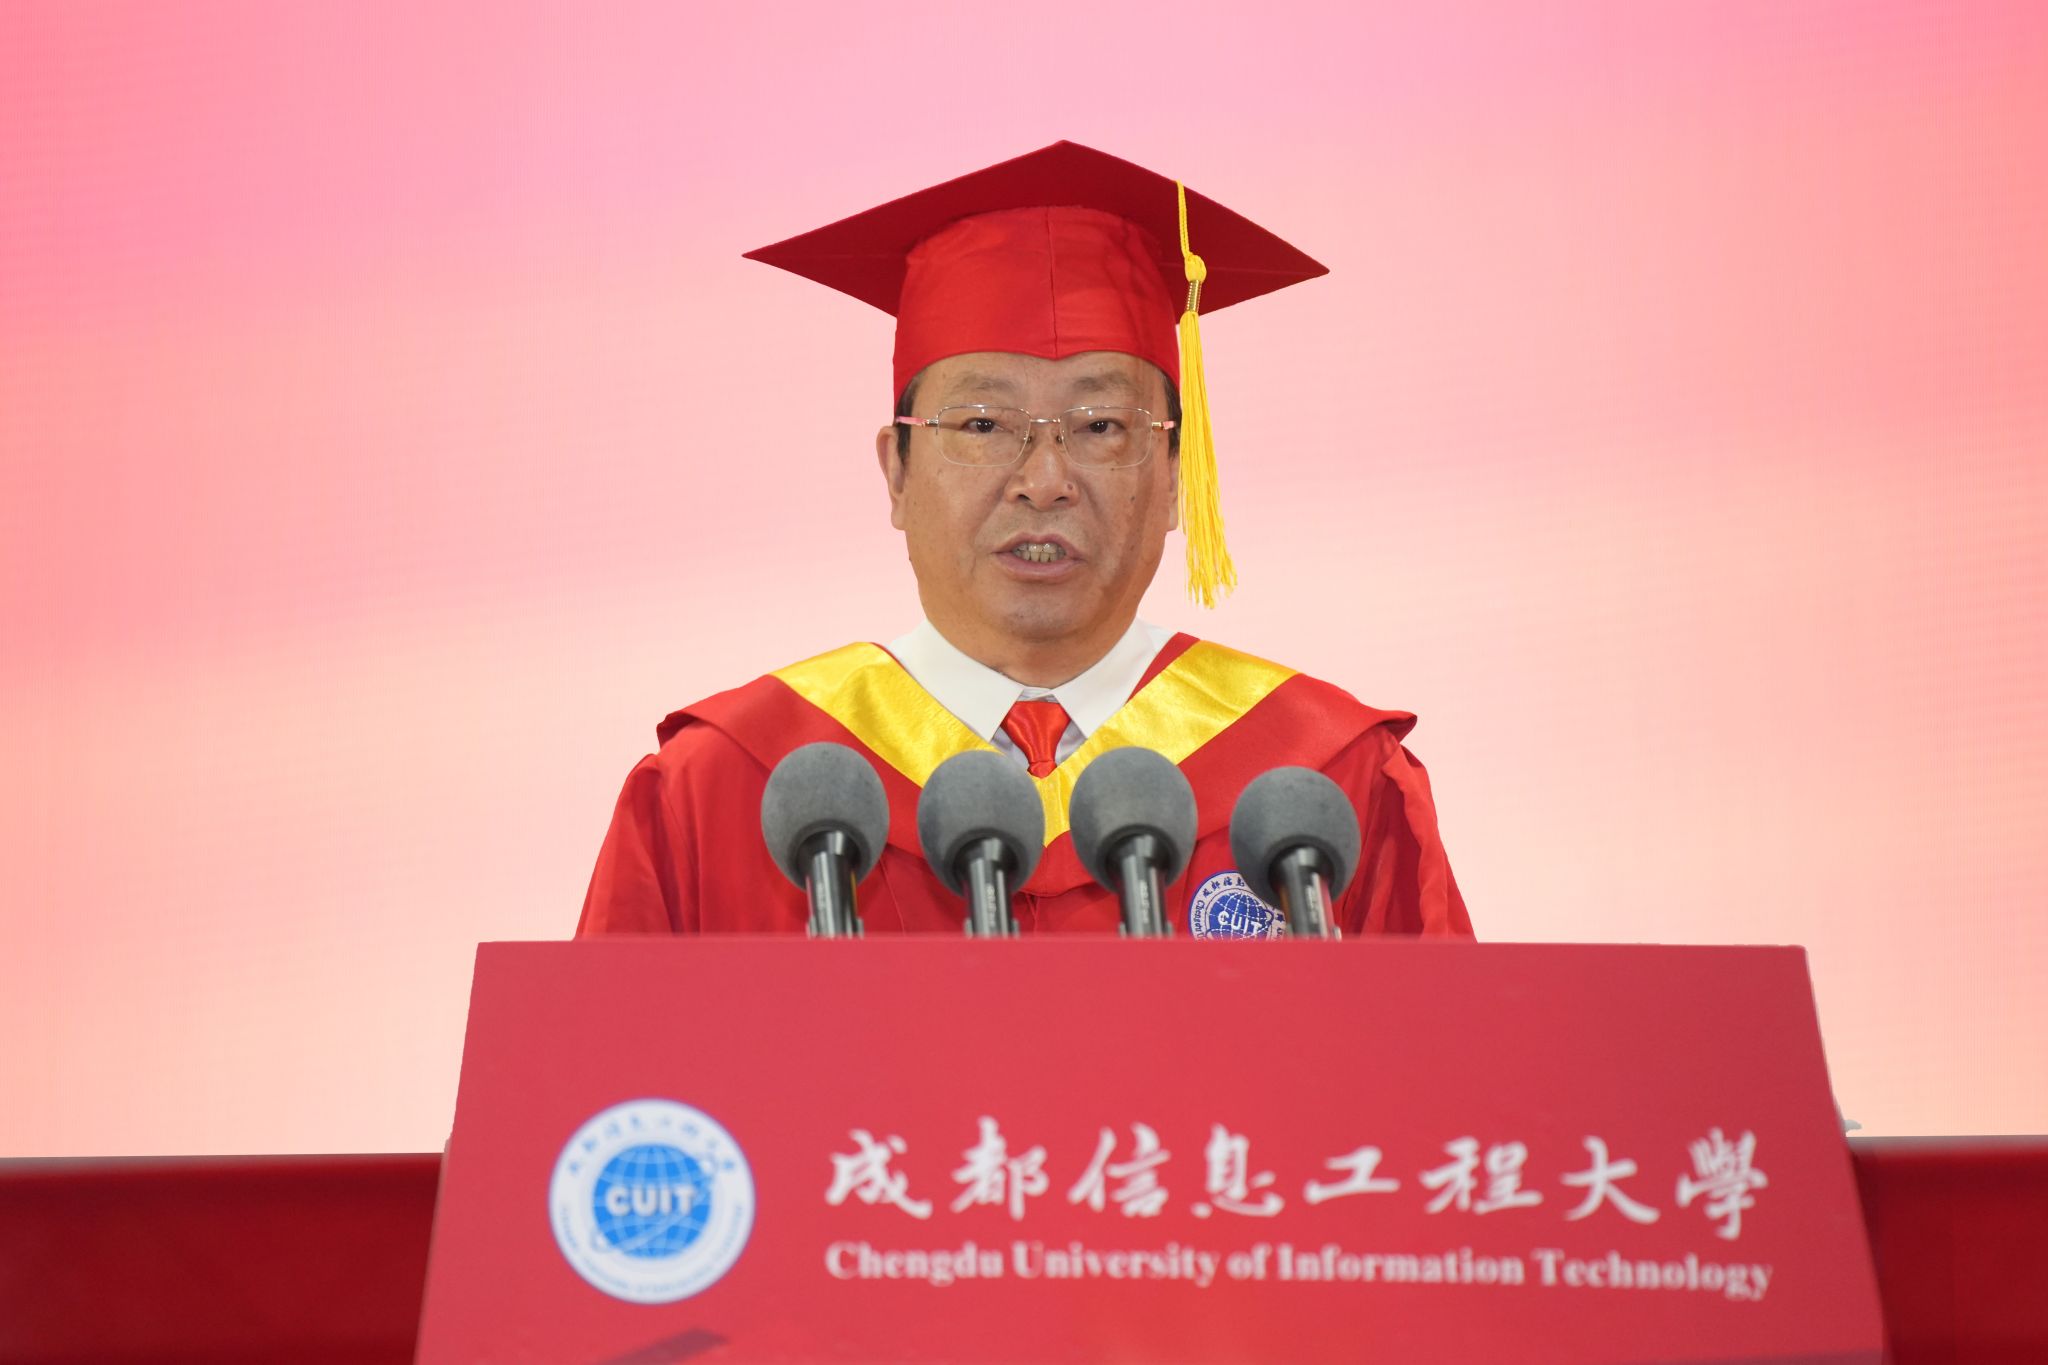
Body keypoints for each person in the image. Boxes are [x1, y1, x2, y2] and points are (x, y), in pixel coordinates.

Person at [577, 142, 1471, 939]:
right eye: (982, 424)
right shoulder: (720, 787)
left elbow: (1449, 1069)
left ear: (1176, 477)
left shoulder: (1329, 782)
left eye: (1101, 426)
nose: (1044, 479)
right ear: (896, 472)